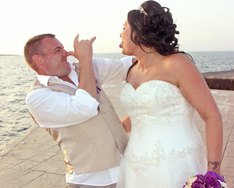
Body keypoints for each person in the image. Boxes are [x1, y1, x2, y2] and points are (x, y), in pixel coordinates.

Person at [116, 1, 224, 187]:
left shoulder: (178, 64)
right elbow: (141, 114)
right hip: (134, 168)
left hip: (174, 165)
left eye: (124, 27)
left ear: (139, 30)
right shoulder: (132, 69)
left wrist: (213, 170)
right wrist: (108, 132)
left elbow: (212, 115)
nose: (120, 33)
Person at [24, 33, 133, 188]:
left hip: (128, 171)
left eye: (63, 48)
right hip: (90, 181)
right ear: (39, 60)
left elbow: (126, 66)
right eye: (57, 50)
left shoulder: (84, 67)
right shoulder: (37, 97)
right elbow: (85, 107)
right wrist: (85, 59)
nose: (66, 53)